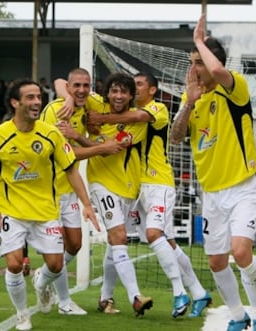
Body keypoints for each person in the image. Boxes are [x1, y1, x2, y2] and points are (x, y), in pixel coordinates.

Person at [0, 78, 99, 331]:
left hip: (46, 212)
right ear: (14, 103)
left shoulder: (51, 133)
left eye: (39, 97)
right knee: (15, 264)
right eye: (30, 97)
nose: (37, 102)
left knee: (55, 264)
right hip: (11, 212)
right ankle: (21, 314)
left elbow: (71, 169)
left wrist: (86, 203)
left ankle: (41, 283)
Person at [170, 15, 256, 331]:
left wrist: (200, 40)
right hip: (211, 193)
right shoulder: (193, 99)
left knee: (241, 252)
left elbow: (216, 71)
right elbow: (175, 136)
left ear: (214, 62)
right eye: (192, 63)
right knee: (216, 261)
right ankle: (239, 317)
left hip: (244, 187)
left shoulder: (235, 88)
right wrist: (188, 104)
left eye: (198, 62)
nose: (194, 69)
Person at [87, 71, 212, 318]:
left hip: (159, 183)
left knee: (153, 234)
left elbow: (137, 115)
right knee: (164, 243)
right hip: (137, 187)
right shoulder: (126, 116)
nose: (133, 89)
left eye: (138, 85)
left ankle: (179, 292)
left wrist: (101, 118)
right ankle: (198, 292)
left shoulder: (157, 109)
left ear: (152, 90)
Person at [56, 72, 153, 317]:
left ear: (131, 95)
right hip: (101, 184)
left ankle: (105, 297)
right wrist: (68, 98)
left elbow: (110, 149)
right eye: (114, 91)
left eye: (124, 92)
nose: (118, 96)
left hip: (130, 188)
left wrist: (78, 136)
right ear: (107, 93)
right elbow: (61, 83)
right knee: (119, 236)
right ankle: (135, 297)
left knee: (115, 243)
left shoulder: (137, 123)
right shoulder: (96, 102)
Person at [41, 68, 127, 316]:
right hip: (50, 191)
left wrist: (95, 142)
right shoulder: (57, 111)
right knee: (59, 247)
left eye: (85, 86)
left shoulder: (89, 106)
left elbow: (58, 79)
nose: (80, 90)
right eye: (75, 86)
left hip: (70, 187)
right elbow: (63, 155)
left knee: (75, 245)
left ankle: (43, 276)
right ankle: (64, 302)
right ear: (69, 88)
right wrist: (101, 148)